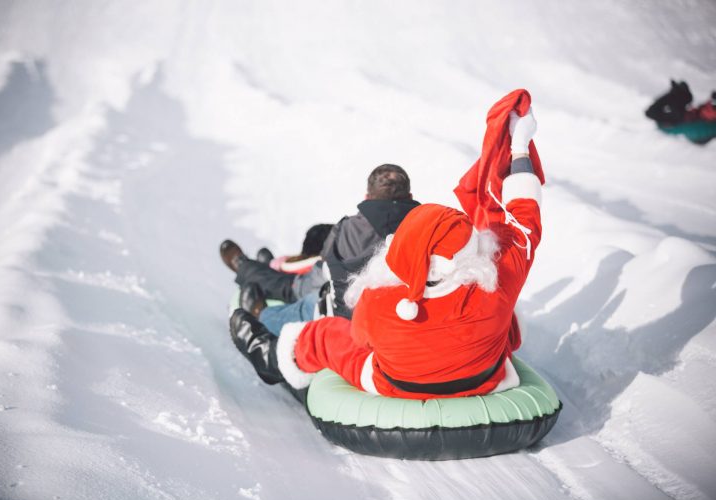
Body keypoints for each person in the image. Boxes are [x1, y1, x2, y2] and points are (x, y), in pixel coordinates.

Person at [229, 91, 544, 397]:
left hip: (397, 383)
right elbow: (524, 219)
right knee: (508, 320)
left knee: (325, 333)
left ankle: (269, 349)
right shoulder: (499, 285)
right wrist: (518, 147)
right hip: (481, 376)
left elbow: (360, 337)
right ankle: (261, 280)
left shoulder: (380, 298)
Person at [220, 164, 420, 336]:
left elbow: (326, 262)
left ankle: (249, 278)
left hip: (340, 309)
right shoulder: (422, 229)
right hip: (393, 316)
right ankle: (261, 269)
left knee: (294, 287)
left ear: (367, 197)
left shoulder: (347, 228)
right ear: (410, 197)